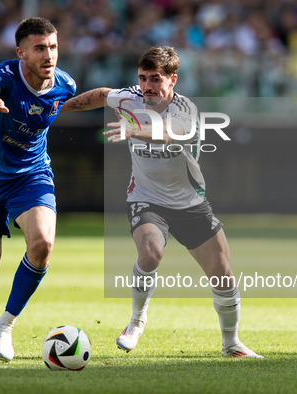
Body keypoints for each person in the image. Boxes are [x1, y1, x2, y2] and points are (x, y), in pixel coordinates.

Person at [60, 45, 262, 358]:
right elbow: (100, 94)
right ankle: (136, 321)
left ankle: (231, 343)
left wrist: (133, 129)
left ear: (173, 80)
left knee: (223, 274)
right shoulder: (129, 98)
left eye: (155, 79)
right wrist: (59, 107)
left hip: (191, 204)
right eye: (143, 78)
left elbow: (168, 133)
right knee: (151, 254)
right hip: (145, 199)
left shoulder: (186, 110)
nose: (148, 86)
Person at [0, 17, 76, 362]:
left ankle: (5, 327)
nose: (49, 55)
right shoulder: (6, 76)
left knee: (42, 244)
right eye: (40, 48)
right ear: (21, 52)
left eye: (53, 47)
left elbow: (76, 102)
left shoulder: (64, 85)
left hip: (30, 175)